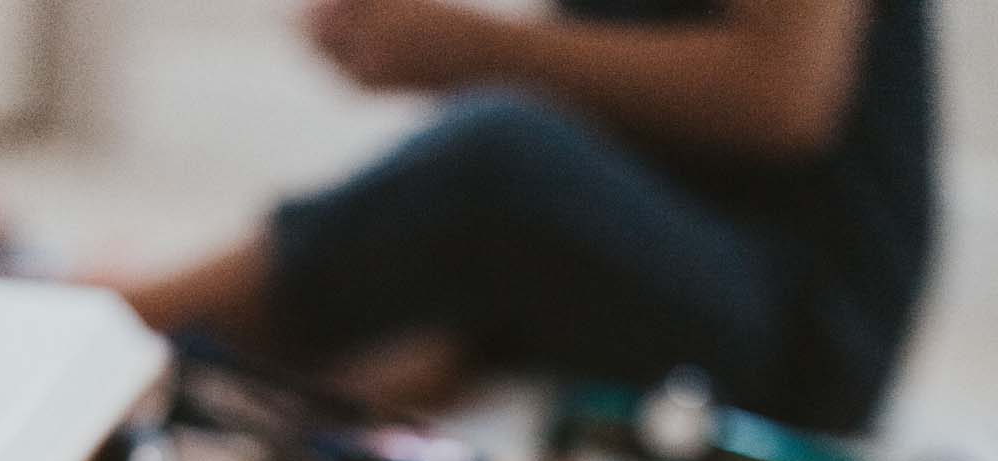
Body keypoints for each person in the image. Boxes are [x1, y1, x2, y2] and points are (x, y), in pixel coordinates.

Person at [110, 0, 935, 432]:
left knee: (502, 154)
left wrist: (469, 48)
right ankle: (194, 363)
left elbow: (783, 96)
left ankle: (115, 322)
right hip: (685, 249)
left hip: (807, 322)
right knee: (500, 171)